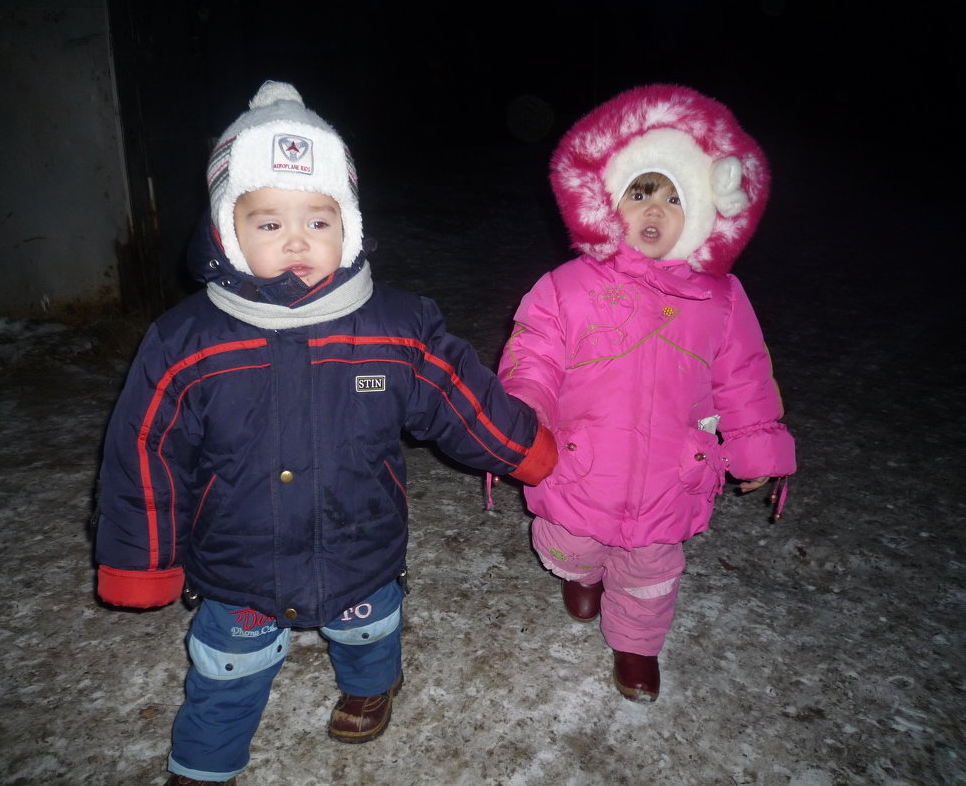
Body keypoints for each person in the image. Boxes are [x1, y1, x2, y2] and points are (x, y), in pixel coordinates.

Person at [93, 80, 557, 786]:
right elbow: (145, 452)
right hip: (238, 559)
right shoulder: (185, 340)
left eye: (318, 219)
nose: (296, 242)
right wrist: (142, 558)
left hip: (359, 542)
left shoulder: (395, 327)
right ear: (226, 229)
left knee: (368, 630)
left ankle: (373, 683)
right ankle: (204, 762)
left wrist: (525, 447)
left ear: (351, 228)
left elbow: (461, 397)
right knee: (226, 668)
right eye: (268, 222)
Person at [497, 83, 796, 703]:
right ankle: (579, 574)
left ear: (703, 213)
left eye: (674, 198)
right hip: (582, 462)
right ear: (610, 202)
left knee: (651, 571)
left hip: (669, 473)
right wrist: (521, 420)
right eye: (641, 193)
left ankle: (637, 648)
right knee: (569, 540)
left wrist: (758, 449)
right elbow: (534, 357)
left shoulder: (721, 299)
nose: (655, 211)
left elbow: (744, 376)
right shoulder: (568, 286)